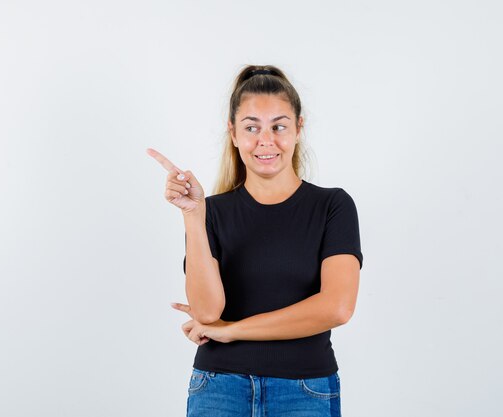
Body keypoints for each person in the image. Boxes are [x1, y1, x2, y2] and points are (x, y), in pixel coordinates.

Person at [147, 64, 363, 417]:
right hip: (219, 387)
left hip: (304, 390)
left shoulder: (332, 206)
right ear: (233, 132)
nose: (266, 140)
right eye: (251, 127)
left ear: (298, 129)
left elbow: (336, 307)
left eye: (279, 126)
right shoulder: (210, 212)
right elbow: (206, 312)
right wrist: (192, 216)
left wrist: (233, 331)